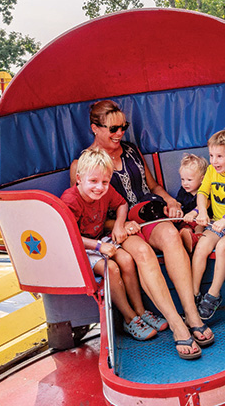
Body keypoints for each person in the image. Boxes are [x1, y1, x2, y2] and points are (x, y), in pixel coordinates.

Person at [70, 100, 214, 358]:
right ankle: (178, 326)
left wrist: (170, 200)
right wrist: (122, 225)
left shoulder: (131, 151)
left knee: (171, 235)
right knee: (143, 253)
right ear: (95, 128)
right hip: (118, 227)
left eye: (123, 127)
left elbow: (154, 187)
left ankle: (191, 314)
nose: (120, 133)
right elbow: (89, 216)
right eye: (113, 128)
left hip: (149, 213)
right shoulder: (82, 165)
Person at [61, 148, 167, 341]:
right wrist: (99, 246)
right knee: (111, 268)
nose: (99, 187)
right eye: (93, 181)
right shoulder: (71, 200)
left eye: (104, 182)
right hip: (80, 247)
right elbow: (67, 235)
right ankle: (129, 318)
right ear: (79, 179)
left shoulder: (106, 191)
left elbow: (122, 204)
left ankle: (141, 311)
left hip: (100, 238)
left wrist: (119, 225)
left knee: (126, 260)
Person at [189, 129, 225, 320]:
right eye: (211, 155)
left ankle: (213, 295)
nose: (214, 161)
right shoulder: (211, 172)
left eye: (220, 156)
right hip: (216, 223)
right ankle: (194, 293)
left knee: (223, 247)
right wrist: (203, 211)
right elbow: (202, 193)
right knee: (202, 245)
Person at [175, 153, 208, 252]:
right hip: (187, 220)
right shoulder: (183, 191)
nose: (185, 183)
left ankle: (197, 237)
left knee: (199, 225)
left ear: (201, 179)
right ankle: (187, 236)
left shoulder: (204, 191)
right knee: (185, 227)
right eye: (182, 179)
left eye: (189, 180)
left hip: (201, 220)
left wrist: (193, 213)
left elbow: (205, 204)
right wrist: (177, 210)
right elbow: (179, 202)